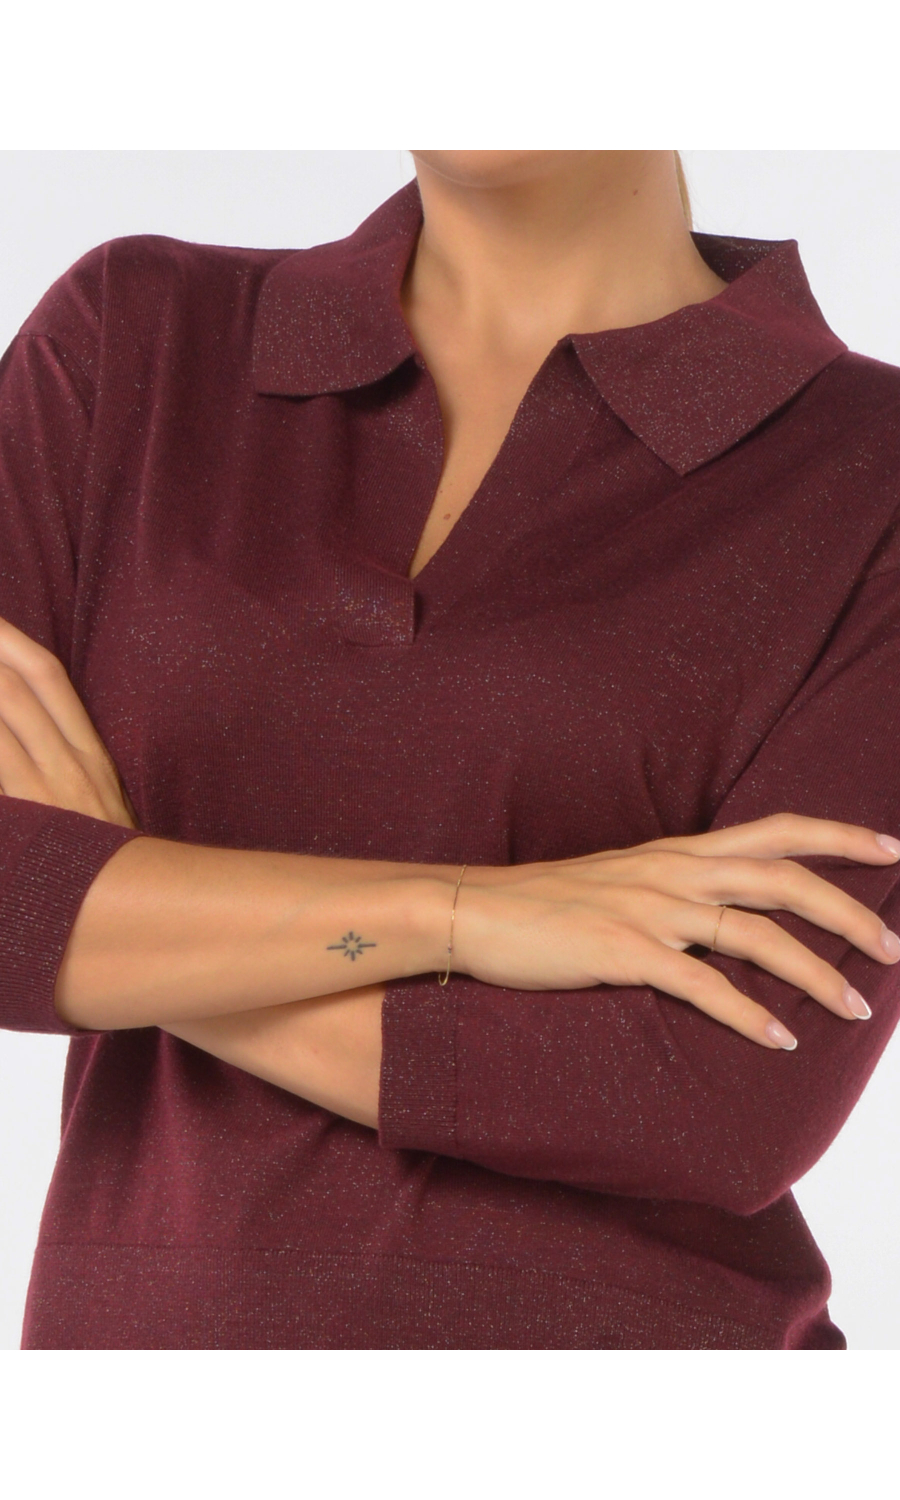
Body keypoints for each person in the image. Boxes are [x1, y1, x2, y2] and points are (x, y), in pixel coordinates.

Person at [1, 150, 899, 1349]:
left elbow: (714, 1099)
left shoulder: (869, 469)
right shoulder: (133, 341)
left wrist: (129, 928)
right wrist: (465, 916)